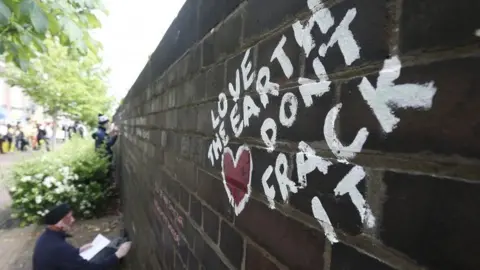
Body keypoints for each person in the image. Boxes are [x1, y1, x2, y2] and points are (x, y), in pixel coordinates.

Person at [32, 203, 132, 270]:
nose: (73, 220)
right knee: (105, 256)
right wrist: (118, 255)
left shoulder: (46, 238)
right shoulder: (59, 248)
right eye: (68, 218)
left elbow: (59, 258)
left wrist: (78, 251)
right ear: (58, 223)